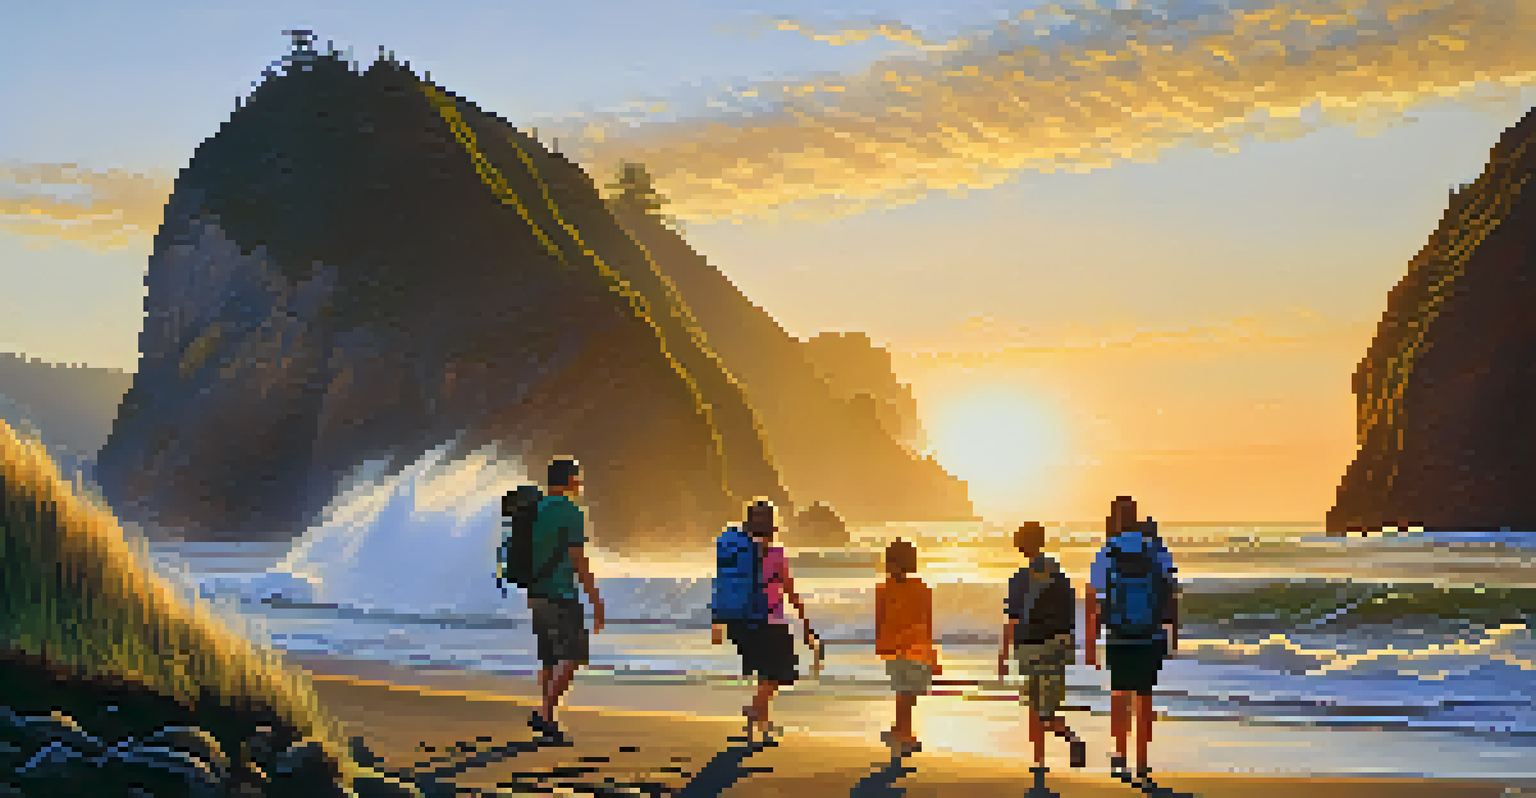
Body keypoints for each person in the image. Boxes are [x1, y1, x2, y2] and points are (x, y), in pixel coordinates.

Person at [1084, 496, 1179, 786]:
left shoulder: (1107, 551)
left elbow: (1094, 599)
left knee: (1119, 696)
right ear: (1136, 517)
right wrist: (1174, 634)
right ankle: (1143, 763)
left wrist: (1090, 642)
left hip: (1118, 635)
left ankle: (1120, 758)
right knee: (1145, 699)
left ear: (1113, 519)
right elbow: (1172, 593)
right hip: (1150, 635)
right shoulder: (1155, 549)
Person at [711, 499, 816, 746]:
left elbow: (720, 585)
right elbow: (789, 588)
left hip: (739, 621)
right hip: (769, 620)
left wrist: (717, 621)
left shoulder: (735, 552)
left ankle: (762, 723)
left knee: (766, 672)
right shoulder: (776, 553)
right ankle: (755, 709)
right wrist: (804, 619)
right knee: (782, 670)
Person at [526, 457, 605, 743]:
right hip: (561, 594)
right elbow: (578, 559)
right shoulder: (571, 511)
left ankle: (547, 718)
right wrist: (596, 601)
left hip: (537, 594)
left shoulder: (534, 509)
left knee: (549, 658)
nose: (581, 482)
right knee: (573, 657)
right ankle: (544, 712)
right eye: (578, 476)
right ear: (569, 480)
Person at [1000, 521, 1085, 782]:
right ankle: (1045, 756)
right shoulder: (1059, 575)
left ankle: (1043, 757)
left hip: (1028, 645)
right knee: (1045, 707)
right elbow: (1070, 613)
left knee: (1034, 707)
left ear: (1021, 545)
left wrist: (1004, 654)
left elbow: (1013, 619)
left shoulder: (1019, 579)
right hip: (1056, 646)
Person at [875, 538, 940, 756]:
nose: (889, 566)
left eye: (892, 562)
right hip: (897, 647)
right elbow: (880, 618)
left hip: (916, 647)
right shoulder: (884, 588)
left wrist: (932, 651)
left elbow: (927, 620)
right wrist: (880, 643)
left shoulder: (920, 588)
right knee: (904, 691)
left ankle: (899, 729)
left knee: (908, 692)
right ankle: (904, 734)